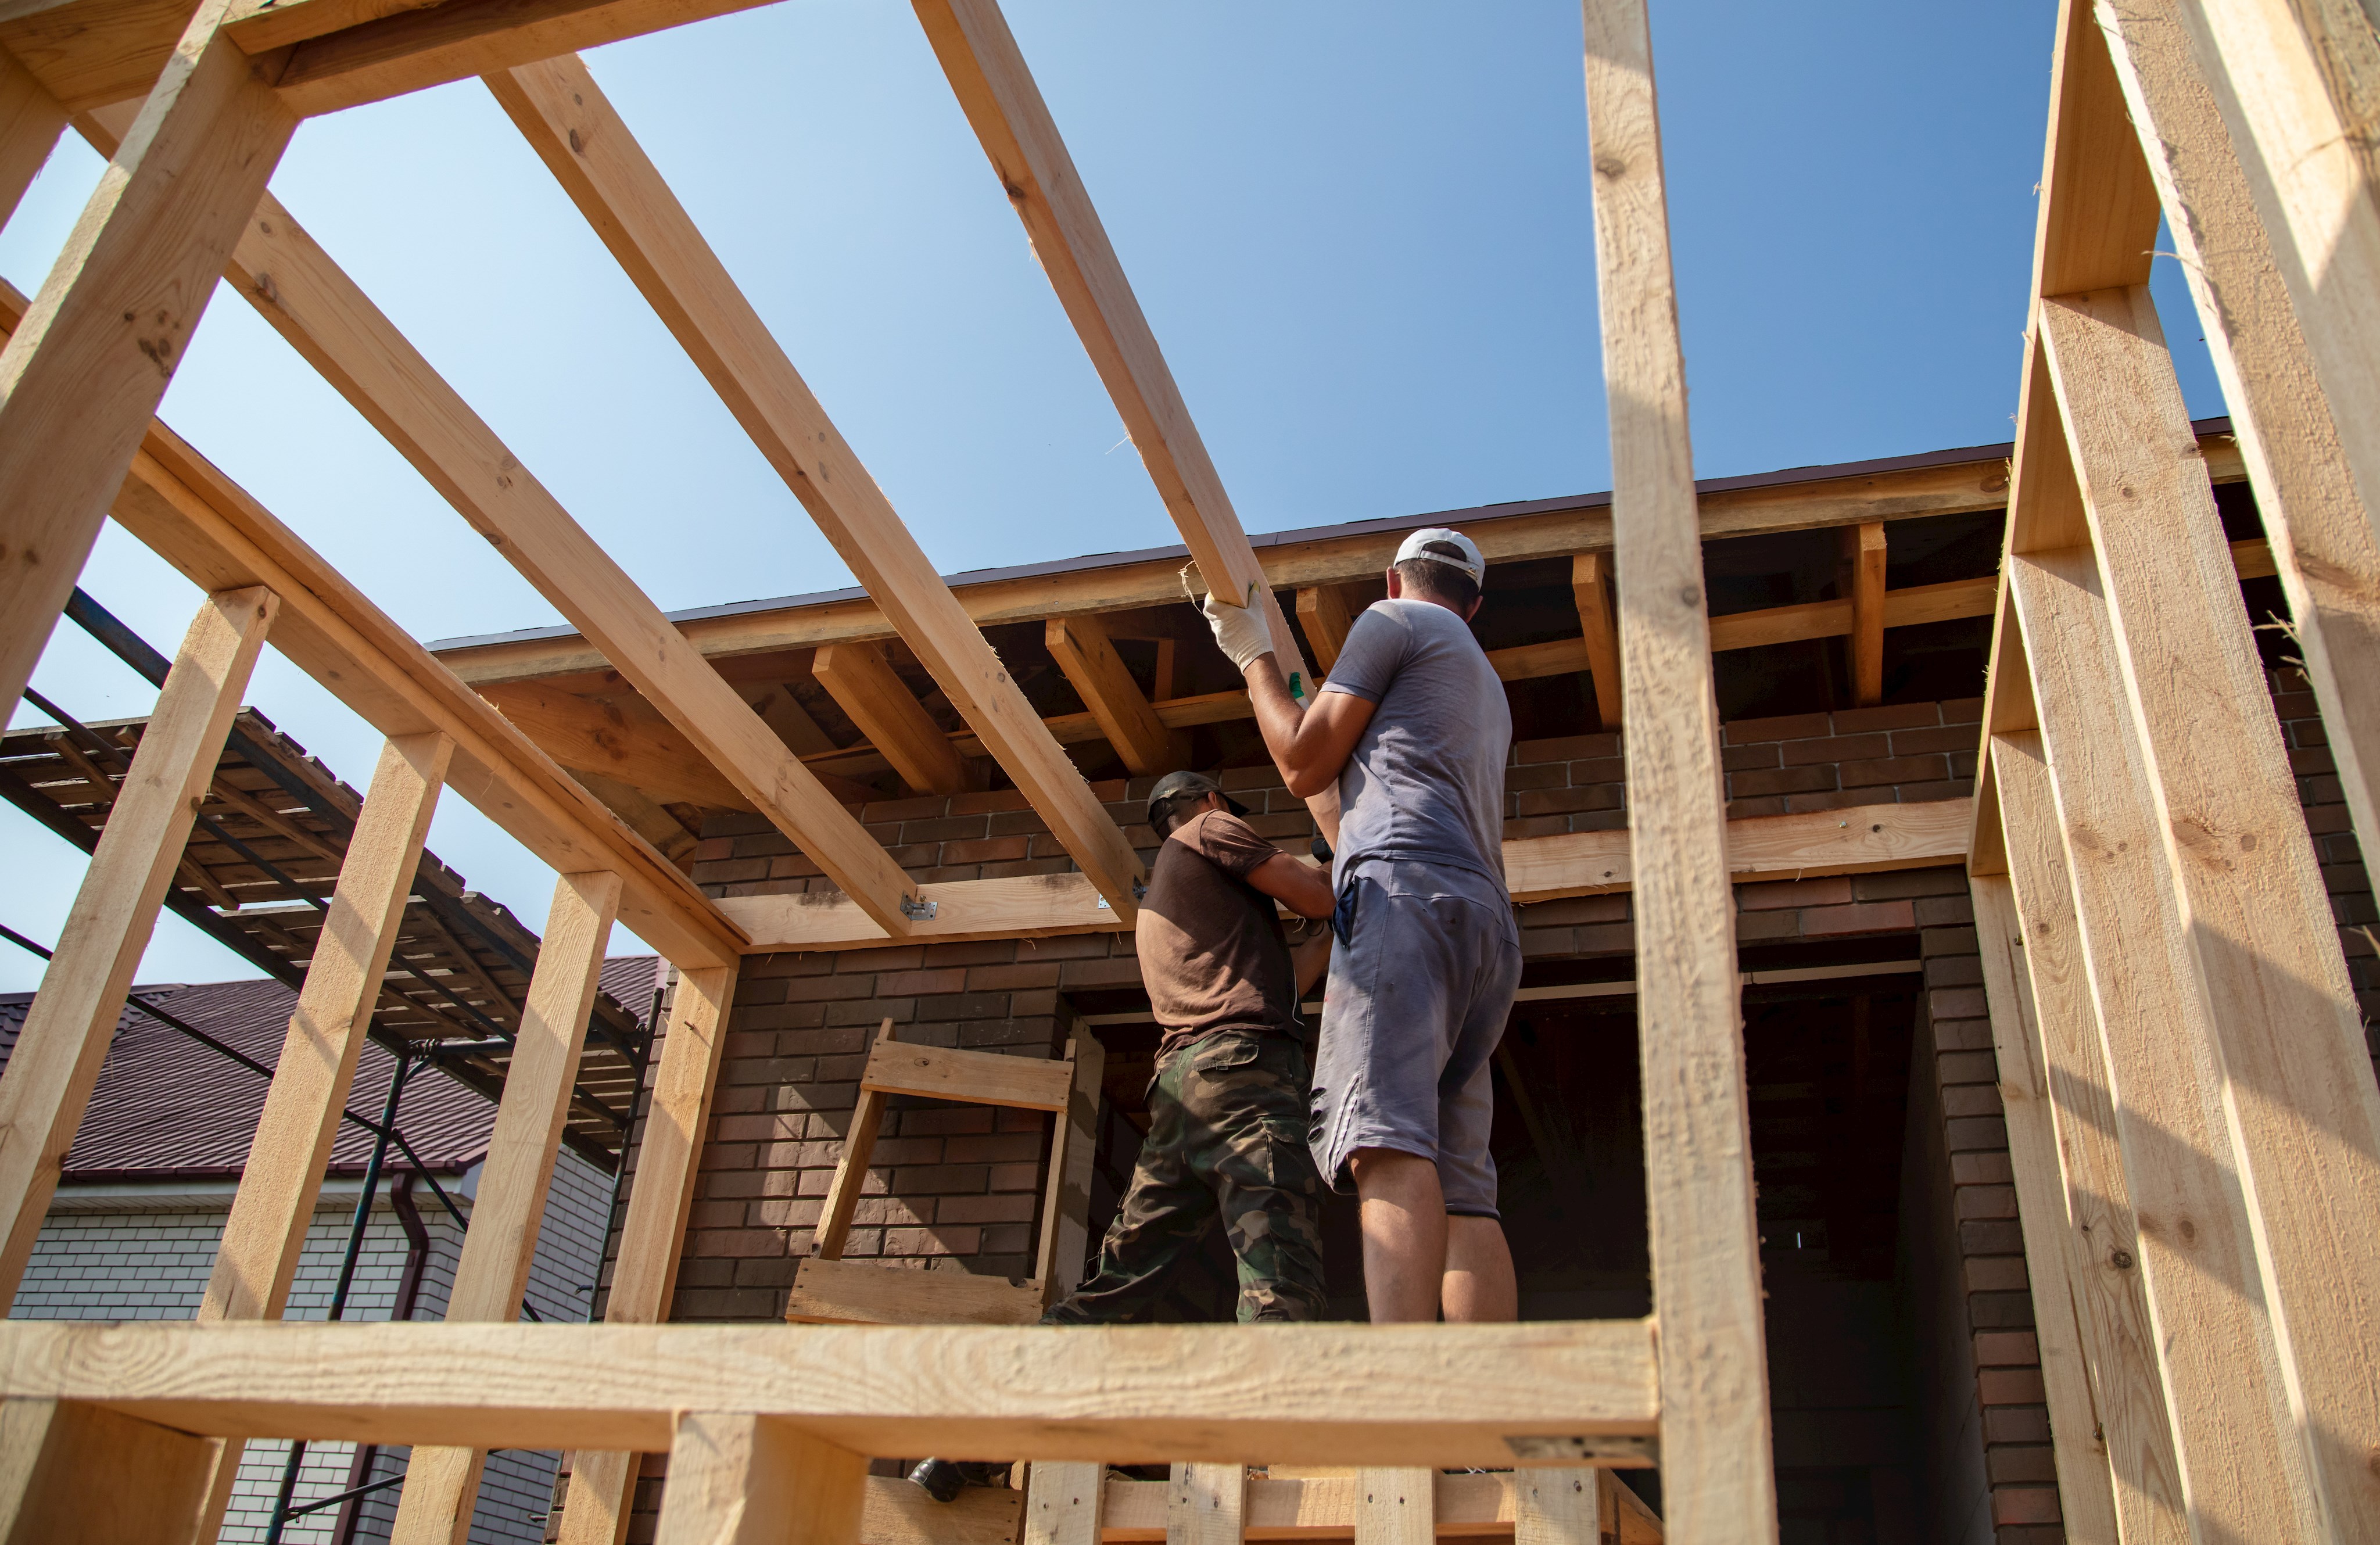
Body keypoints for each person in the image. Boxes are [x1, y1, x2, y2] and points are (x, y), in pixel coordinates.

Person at [909, 770, 1335, 1503]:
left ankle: (973, 1438)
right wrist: (1352, 853)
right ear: (1207, 803)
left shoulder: (1161, 910)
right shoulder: (1203, 830)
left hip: (1181, 1096)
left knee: (1117, 1285)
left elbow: (1288, 977)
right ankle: (1272, 1471)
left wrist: (1324, 934)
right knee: (1277, 1269)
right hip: (1244, 1074)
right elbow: (1319, 892)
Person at [1199, 528, 1519, 1324]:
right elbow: (1349, 801)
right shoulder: (1484, 680)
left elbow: (1304, 760)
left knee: (1387, 1142)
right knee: (1465, 1181)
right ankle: (1489, 1439)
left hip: (1404, 902)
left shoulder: (1393, 621)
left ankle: (1405, 1432)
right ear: (1473, 604)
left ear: (1393, 578)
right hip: (1483, 926)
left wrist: (1252, 659)